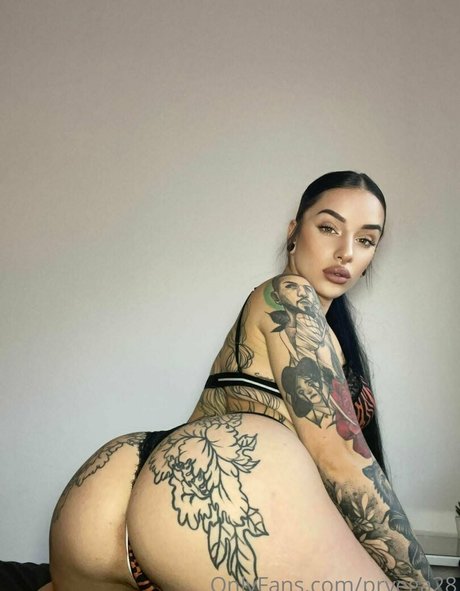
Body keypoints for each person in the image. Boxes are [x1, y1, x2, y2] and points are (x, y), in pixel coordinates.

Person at [42, 171, 436, 591]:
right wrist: (421, 584)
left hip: (105, 497)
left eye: (365, 240)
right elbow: (340, 458)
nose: (345, 252)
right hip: (203, 496)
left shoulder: (313, 329)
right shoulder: (288, 295)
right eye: (328, 228)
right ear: (293, 231)